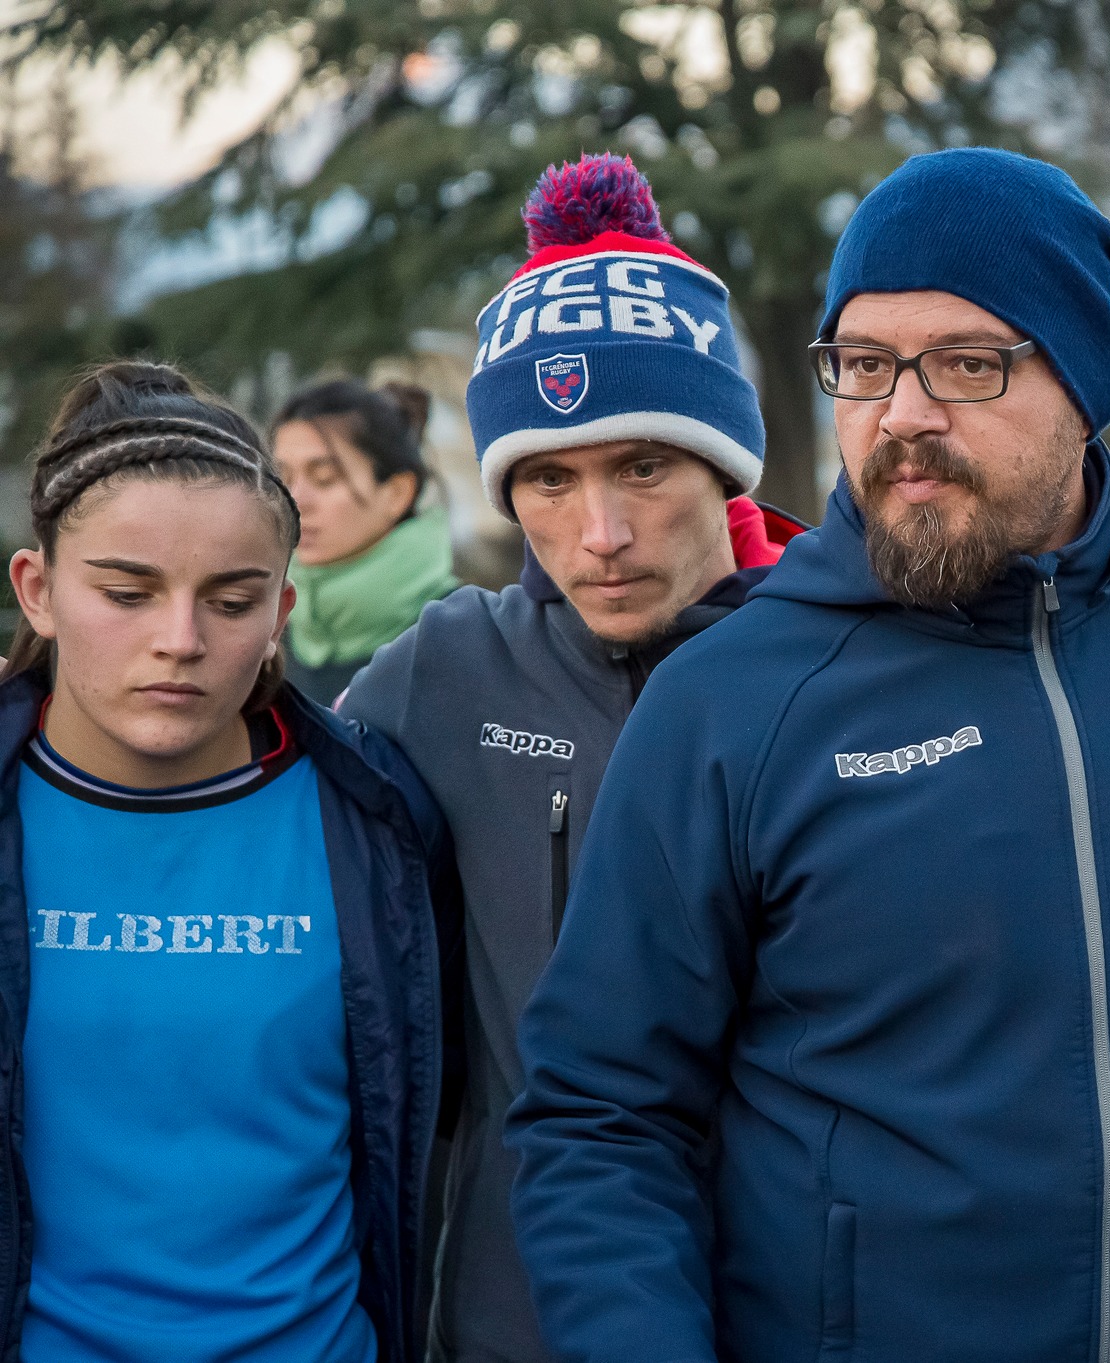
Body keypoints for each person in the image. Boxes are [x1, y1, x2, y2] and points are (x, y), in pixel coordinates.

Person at [501, 145, 1110, 1363]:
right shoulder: (728, 699)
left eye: (968, 363)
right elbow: (599, 1118)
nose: (902, 415)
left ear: (1084, 381)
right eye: (863, 366)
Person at [338, 153, 800, 1363]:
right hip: (511, 1321)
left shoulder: (841, 671)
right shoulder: (444, 674)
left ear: (722, 463)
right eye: (547, 477)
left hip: (805, 1312)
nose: (599, 534)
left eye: (642, 466)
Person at [0, 361, 450, 1362]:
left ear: (281, 609)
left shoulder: (377, 820)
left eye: (232, 599)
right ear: (38, 590)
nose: (180, 639)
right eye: (127, 590)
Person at [273, 379, 461, 706]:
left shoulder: (468, 632)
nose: (295, 499)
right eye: (284, 478)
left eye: (324, 478)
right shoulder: (265, 629)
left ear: (397, 493)